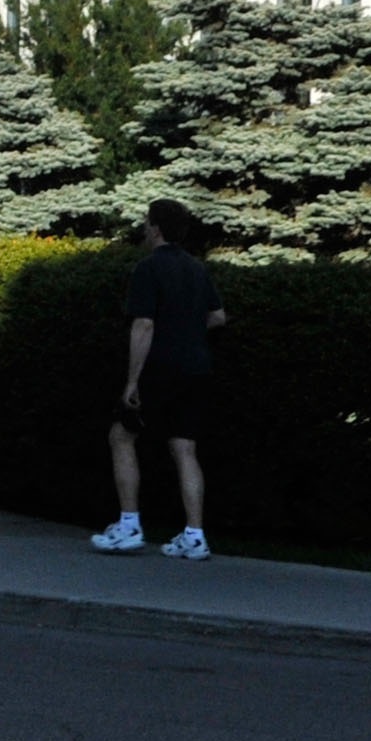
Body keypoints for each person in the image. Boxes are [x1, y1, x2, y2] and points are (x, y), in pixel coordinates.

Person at [92, 197, 225, 561]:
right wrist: (186, 327)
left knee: (121, 436)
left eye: (147, 222)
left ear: (155, 228)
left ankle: (129, 524)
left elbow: (144, 324)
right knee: (184, 448)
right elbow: (218, 317)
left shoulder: (148, 269)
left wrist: (132, 381)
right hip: (197, 367)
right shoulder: (197, 269)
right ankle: (195, 534)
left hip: (160, 367)